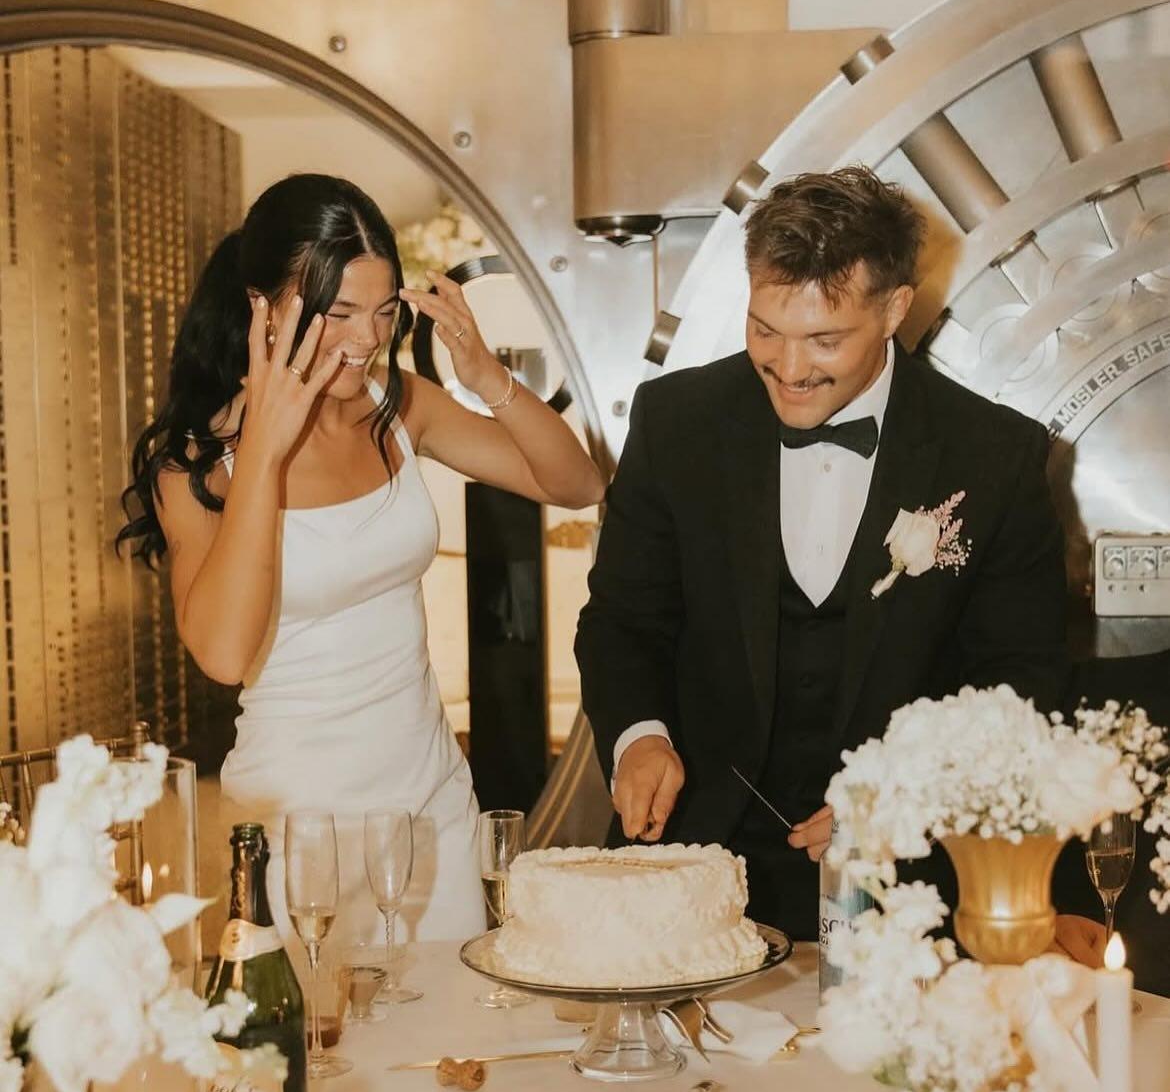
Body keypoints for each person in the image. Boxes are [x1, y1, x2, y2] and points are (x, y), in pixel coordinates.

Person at [575, 165, 1072, 945]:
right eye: (765, 330)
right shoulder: (677, 421)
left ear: (895, 309)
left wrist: (902, 795)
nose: (790, 367)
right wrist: (640, 738)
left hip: (908, 880)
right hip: (691, 859)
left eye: (825, 340)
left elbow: (1022, 681)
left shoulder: (993, 456)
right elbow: (623, 622)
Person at [119, 174, 604, 952]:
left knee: (451, 1022)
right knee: (317, 1025)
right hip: (298, 825)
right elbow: (224, 653)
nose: (365, 338)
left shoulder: (396, 407)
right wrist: (264, 448)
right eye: (338, 312)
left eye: (382, 312)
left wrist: (486, 379)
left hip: (431, 809)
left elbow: (577, 485)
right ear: (263, 306)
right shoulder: (199, 464)